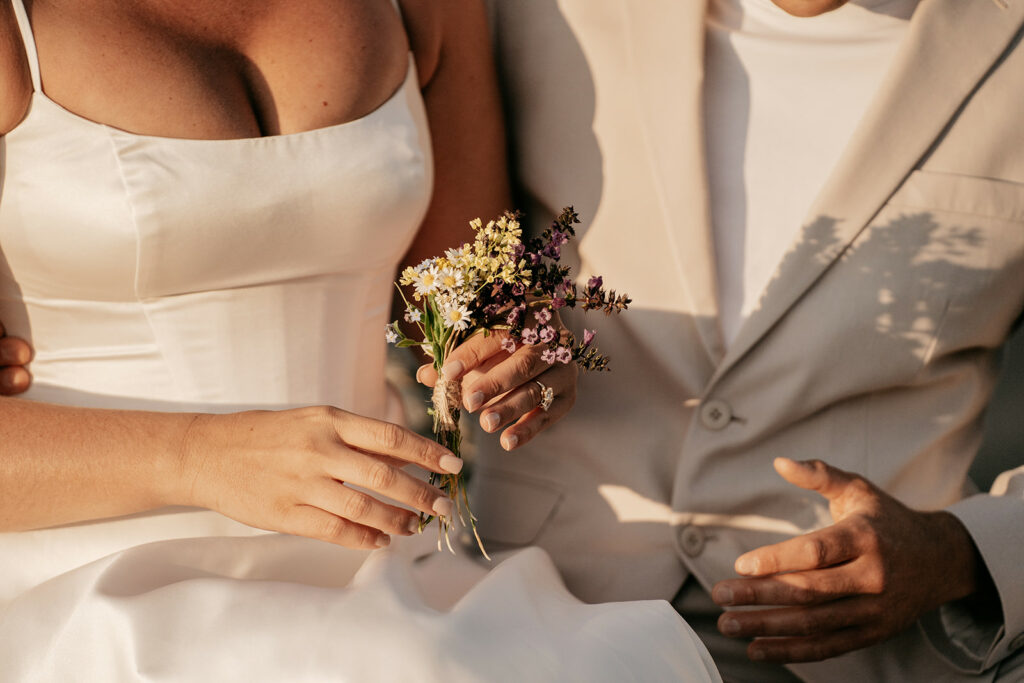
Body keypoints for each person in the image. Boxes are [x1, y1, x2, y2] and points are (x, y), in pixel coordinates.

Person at [0, 0, 722, 679]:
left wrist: (513, 351)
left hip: (379, 567)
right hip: (82, 584)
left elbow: (461, 296)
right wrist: (200, 457)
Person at [419, 0, 1024, 680]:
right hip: (530, 615)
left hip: (872, 650)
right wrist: (495, 342)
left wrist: (957, 550)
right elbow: (435, 250)